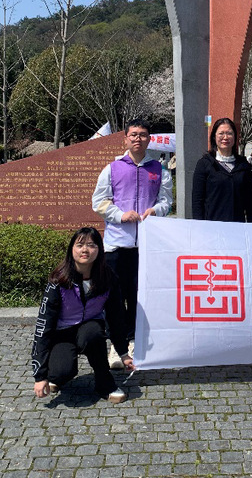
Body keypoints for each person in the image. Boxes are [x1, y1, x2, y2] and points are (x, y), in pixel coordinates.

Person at [92, 118, 172, 367]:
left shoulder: (159, 170)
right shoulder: (112, 168)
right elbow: (98, 202)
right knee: (115, 298)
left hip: (146, 246)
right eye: (134, 134)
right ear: (125, 138)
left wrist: (156, 210)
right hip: (117, 245)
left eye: (143, 135)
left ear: (149, 139)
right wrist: (120, 215)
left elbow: (166, 201)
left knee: (139, 296)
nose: (138, 139)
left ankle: (135, 341)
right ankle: (117, 347)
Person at [32, 227, 133, 403]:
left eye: (91, 245)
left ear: (99, 249)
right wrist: (39, 376)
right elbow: (43, 327)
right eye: (80, 245)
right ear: (72, 249)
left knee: (93, 333)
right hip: (62, 334)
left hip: (90, 328)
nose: (85, 250)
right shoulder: (58, 281)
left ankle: (105, 384)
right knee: (62, 372)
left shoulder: (108, 278)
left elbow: (116, 319)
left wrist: (123, 353)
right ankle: (55, 375)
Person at [192, 117, 252, 222]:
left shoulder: (243, 165)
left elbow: (250, 201)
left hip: (237, 226)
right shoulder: (205, 164)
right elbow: (197, 200)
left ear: (235, 137)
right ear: (214, 137)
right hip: (211, 226)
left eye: (229, 133)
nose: (225, 137)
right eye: (221, 133)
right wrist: (199, 225)